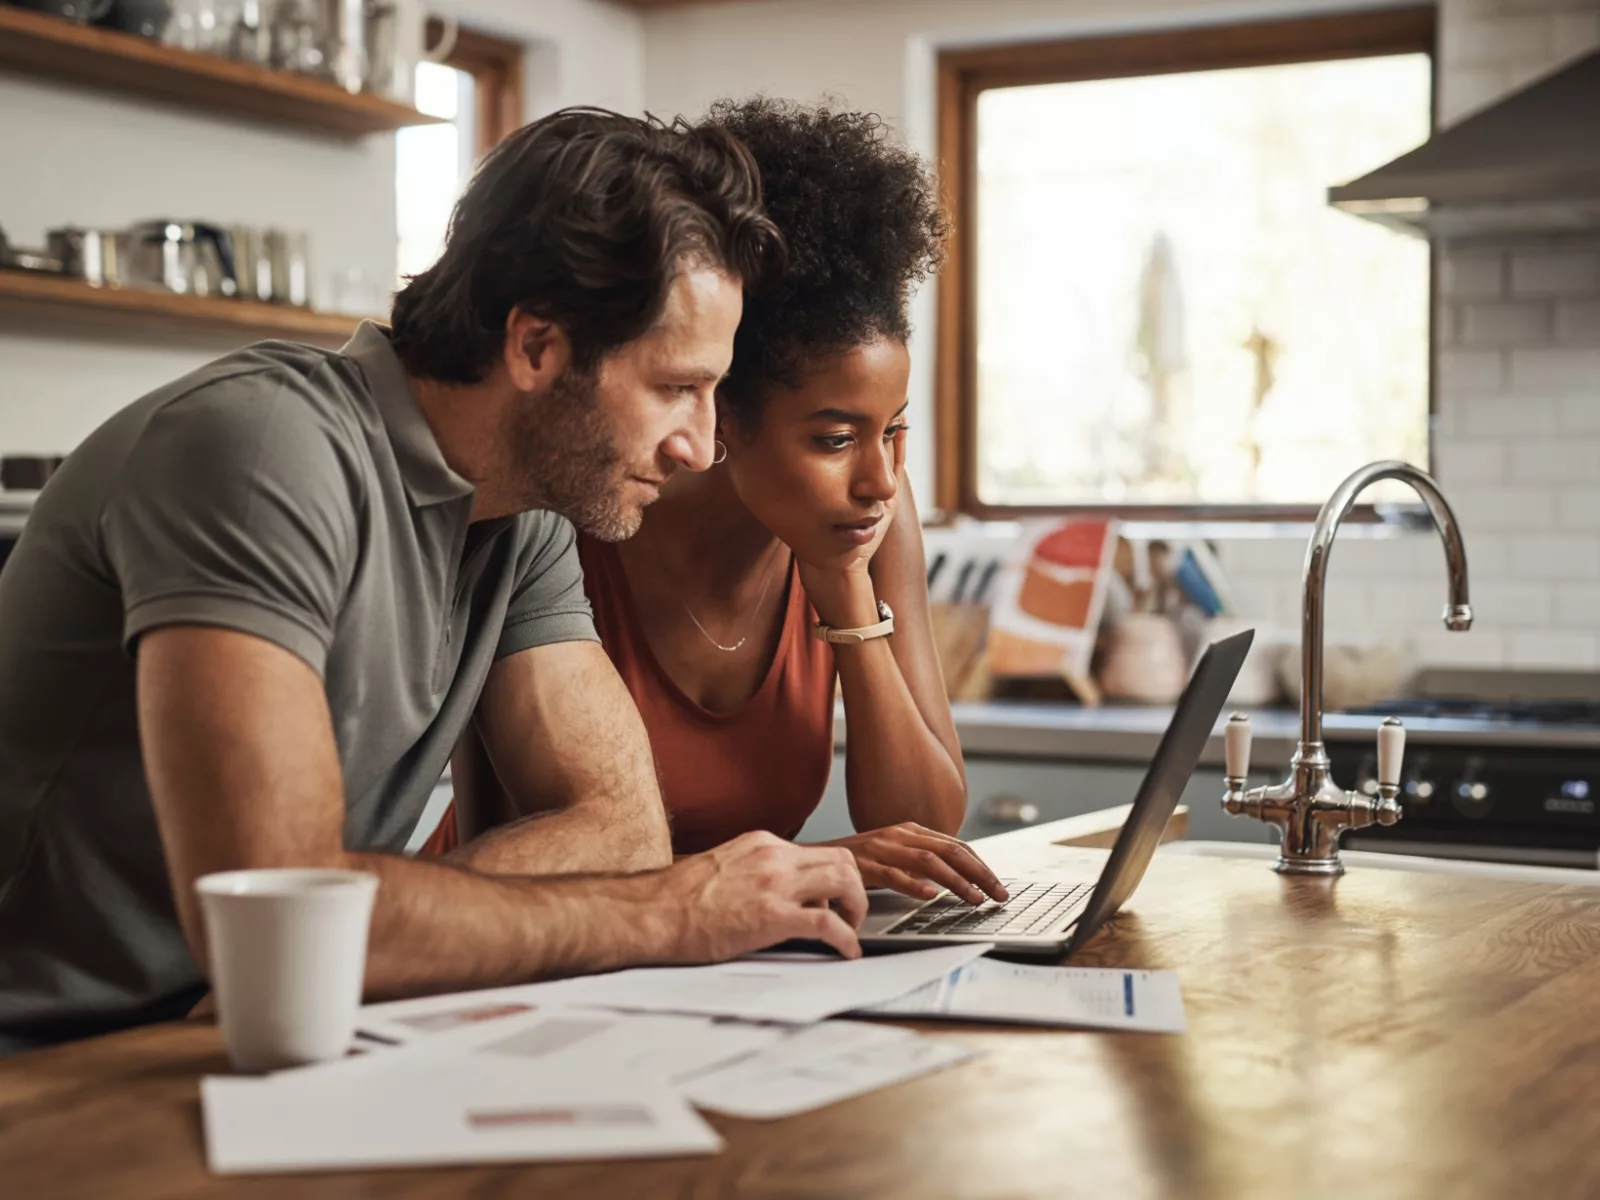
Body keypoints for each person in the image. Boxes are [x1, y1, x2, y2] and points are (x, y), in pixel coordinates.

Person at [0, 108, 871, 1056]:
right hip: (49, 1063)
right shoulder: (263, 453)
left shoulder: (525, 514)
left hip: (251, 1038)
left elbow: (621, 831)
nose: (700, 448)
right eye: (674, 387)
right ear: (537, 347)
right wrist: (669, 914)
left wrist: (377, 932)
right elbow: (281, 918)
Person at [433, 99, 1006, 909]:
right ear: (722, 413)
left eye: (896, 431)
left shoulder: (867, 520)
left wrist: (843, 591)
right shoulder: (579, 510)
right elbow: (530, 839)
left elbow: (926, 830)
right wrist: (808, 863)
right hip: (520, 939)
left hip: (727, 955)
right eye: (836, 439)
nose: (880, 479)